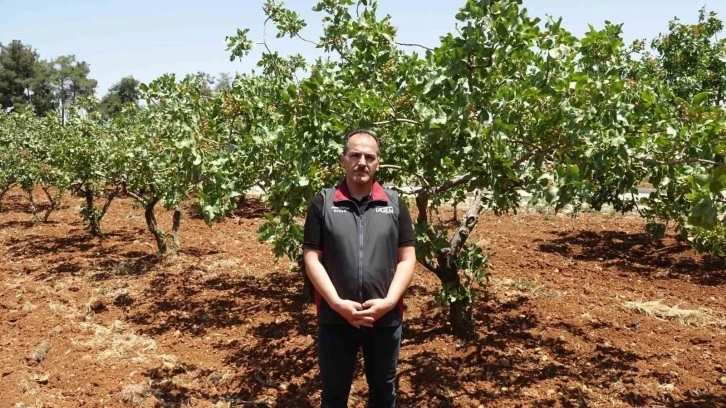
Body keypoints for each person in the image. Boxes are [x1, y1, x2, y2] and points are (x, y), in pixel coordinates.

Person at [303, 129, 416, 408]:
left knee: (383, 393)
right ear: (343, 159)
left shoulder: (394, 204)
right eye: (355, 155)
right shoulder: (323, 202)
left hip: (385, 318)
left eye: (369, 157)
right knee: (333, 395)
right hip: (336, 318)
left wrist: (389, 302)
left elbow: (407, 257)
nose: (362, 162)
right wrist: (337, 303)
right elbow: (312, 257)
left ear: (378, 163)